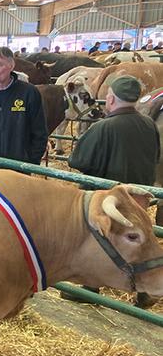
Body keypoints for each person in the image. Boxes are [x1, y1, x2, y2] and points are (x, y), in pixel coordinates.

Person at [68, 76, 160, 308]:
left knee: (103, 242)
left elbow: (78, 160)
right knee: (138, 245)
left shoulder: (103, 127)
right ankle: (145, 292)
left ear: (110, 99)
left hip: (109, 199)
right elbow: (156, 156)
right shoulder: (149, 124)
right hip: (137, 198)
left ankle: (90, 289)